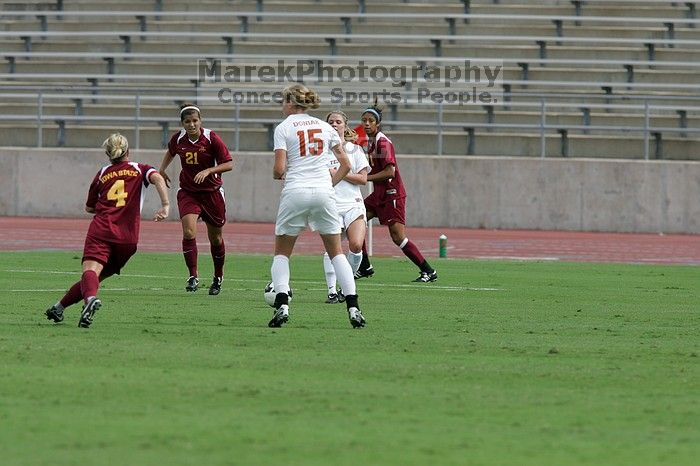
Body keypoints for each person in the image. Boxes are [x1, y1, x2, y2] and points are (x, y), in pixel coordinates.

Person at [44, 133, 170, 328]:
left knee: (90, 272)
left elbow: (89, 207)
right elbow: (158, 179)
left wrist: (107, 207)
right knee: (93, 279)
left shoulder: (103, 173)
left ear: (108, 154)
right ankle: (58, 308)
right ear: (128, 151)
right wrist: (165, 205)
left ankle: (90, 302)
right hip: (128, 240)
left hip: (102, 231)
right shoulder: (140, 169)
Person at [269, 83, 365, 328]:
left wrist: (281, 174)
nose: (282, 106)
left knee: (282, 253)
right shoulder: (325, 127)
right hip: (324, 192)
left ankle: (282, 304)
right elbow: (345, 165)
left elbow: (279, 169)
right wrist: (328, 185)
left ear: (291, 103)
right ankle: (353, 307)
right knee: (336, 252)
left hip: (296, 191)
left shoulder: (283, 127)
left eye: (283, 101)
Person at [355, 102, 438, 282]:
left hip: (392, 195)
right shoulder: (371, 143)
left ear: (378, 124)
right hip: (378, 195)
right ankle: (365, 266)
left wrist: (364, 178)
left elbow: (389, 172)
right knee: (355, 219)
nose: (367, 124)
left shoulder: (383, 143)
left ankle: (428, 270)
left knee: (398, 237)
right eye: (364, 121)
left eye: (370, 121)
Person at [158, 104, 234, 295]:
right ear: (182, 123)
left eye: (195, 120)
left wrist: (209, 170)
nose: (191, 124)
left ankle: (218, 277)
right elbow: (171, 151)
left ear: (200, 121)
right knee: (189, 232)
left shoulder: (211, 138)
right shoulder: (179, 138)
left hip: (212, 193)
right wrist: (162, 169)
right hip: (189, 192)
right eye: (187, 121)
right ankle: (193, 276)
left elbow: (229, 163)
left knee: (215, 238)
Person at [321, 110, 369, 304]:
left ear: (344, 126)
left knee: (356, 245)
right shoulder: (320, 152)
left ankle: (345, 285)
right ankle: (332, 290)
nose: (334, 124)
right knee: (333, 248)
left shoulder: (354, 150)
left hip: (353, 204)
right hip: (330, 204)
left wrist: (340, 172)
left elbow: (363, 179)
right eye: (330, 122)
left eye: (338, 122)